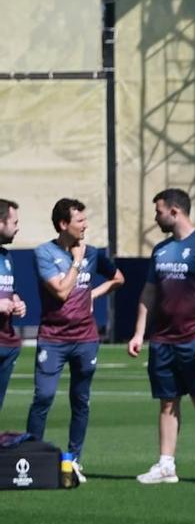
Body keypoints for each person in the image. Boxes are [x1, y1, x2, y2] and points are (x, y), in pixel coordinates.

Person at [128, 189, 195, 485]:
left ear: (175, 212)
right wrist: (138, 333)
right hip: (163, 340)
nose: (155, 217)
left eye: (158, 211)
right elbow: (149, 292)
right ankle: (166, 465)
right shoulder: (159, 250)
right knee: (167, 402)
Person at [28, 198, 122, 480]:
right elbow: (60, 292)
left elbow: (118, 278)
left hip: (85, 338)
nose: (85, 225)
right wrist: (78, 263)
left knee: (80, 399)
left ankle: (75, 459)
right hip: (53, 338)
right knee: (43, 396)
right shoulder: (44, 253)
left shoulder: (94, 254)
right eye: (80, 221)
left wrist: (93, 294)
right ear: (63, 224)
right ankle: (30, 455)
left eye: (85, 220)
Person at [0, 199, 23, 416]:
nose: (17, 227)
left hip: (6, 341)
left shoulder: (6, 257)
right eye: (14, 222)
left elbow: (8, 290)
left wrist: (16, 301)